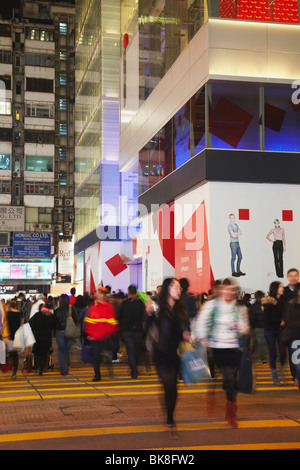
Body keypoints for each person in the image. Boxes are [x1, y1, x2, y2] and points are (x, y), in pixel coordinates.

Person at [193, 278, 249, 428]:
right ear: (221, 290)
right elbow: (200, 323)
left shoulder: (240, 308)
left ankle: (231, 414)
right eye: (226, 289)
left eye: (232, 290)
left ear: (235, 292)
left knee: (231, 381)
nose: (229, 292)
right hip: (215, 349)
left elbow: (245, 328)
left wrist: (239, 325)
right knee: (215, 378)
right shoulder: (211, 305)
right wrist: (203, 339)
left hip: (233, 349)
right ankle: (212, 400)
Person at [145, 278, 190, 438]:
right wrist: (149, 314)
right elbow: (147, 326)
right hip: (160, 353)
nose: (179, 290)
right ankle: (170, 419)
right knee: (169, 383)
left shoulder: (180, 309)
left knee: (172, 389)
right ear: (167, 289)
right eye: (175, 287)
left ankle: (170, 415)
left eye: (179, 288)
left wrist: (187, 335)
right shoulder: (158, 307)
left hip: (175, 354)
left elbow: (185, 328)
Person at [83, 286, 118, 381]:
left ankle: (107, 367)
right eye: (96, 293)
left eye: (99, 293)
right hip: (95, 337)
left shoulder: (108, 307)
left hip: (105, 336)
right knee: (96, 355)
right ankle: (97, 374)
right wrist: (90, 334)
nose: (96, 294)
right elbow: (88, 322)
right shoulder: (92, 306)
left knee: (103, 354)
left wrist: (107, 333)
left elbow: (112, 322)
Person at [261, 281, 286, 385]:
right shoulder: (269, 301)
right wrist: (279, 321)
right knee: (273, 353)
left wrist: (284, 320)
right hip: (269, 330)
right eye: (280, 287)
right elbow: (266, 318)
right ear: (275, 289)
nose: (282, 288)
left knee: (283, 352)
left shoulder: (283, 300)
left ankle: (281, 371)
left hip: (280, 330)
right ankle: (274, 375)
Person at [119, 285, 146, 379]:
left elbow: (119, 316)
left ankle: (133, 372)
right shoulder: (140, 303)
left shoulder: (124, 303)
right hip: (138, 331)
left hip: (127, 330)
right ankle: (135, 367)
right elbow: (144, 317)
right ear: (136, 293)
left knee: (130, 351)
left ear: (129, 292)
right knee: (137, 351)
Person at [54, 294, 78, 375]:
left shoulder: (56, 310)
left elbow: (55, 323)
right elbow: (76, 319)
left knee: (61, 350)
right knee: (67, 349)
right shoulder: (72, 309)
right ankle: (66, 365)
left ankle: (64, 370)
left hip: (60, 332)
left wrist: (54, 333)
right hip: (70, 331)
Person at [282, 282, 300, 388]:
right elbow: (288, 320)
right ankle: (296, 378)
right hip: (294, 335)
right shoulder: (291, 304)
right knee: (295, 360)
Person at [29, 301, 55, 375]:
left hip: (38, 337)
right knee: (44, 354)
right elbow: (54, 326)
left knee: (37, 353)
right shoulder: (51, 316)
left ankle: (38, 366)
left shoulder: (37, 315)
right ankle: (42, 369)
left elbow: (31, 324)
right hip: (47, 338)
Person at [248, 290, 267, 364]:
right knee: (261, 343)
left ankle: (259, 358)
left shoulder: (253, 306)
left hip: (256, 327)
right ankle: (258, 358)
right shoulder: (264, 305)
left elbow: (250, 318)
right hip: (262, 326)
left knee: (259, 343)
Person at [6, 300, 23, 379]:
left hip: (10, 336)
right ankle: (14, 372)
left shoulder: (8, 314)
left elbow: (6, 325)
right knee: (15, 355)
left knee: (11, 354)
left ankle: (11, 368)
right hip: (17, 336)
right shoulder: (19, 313)